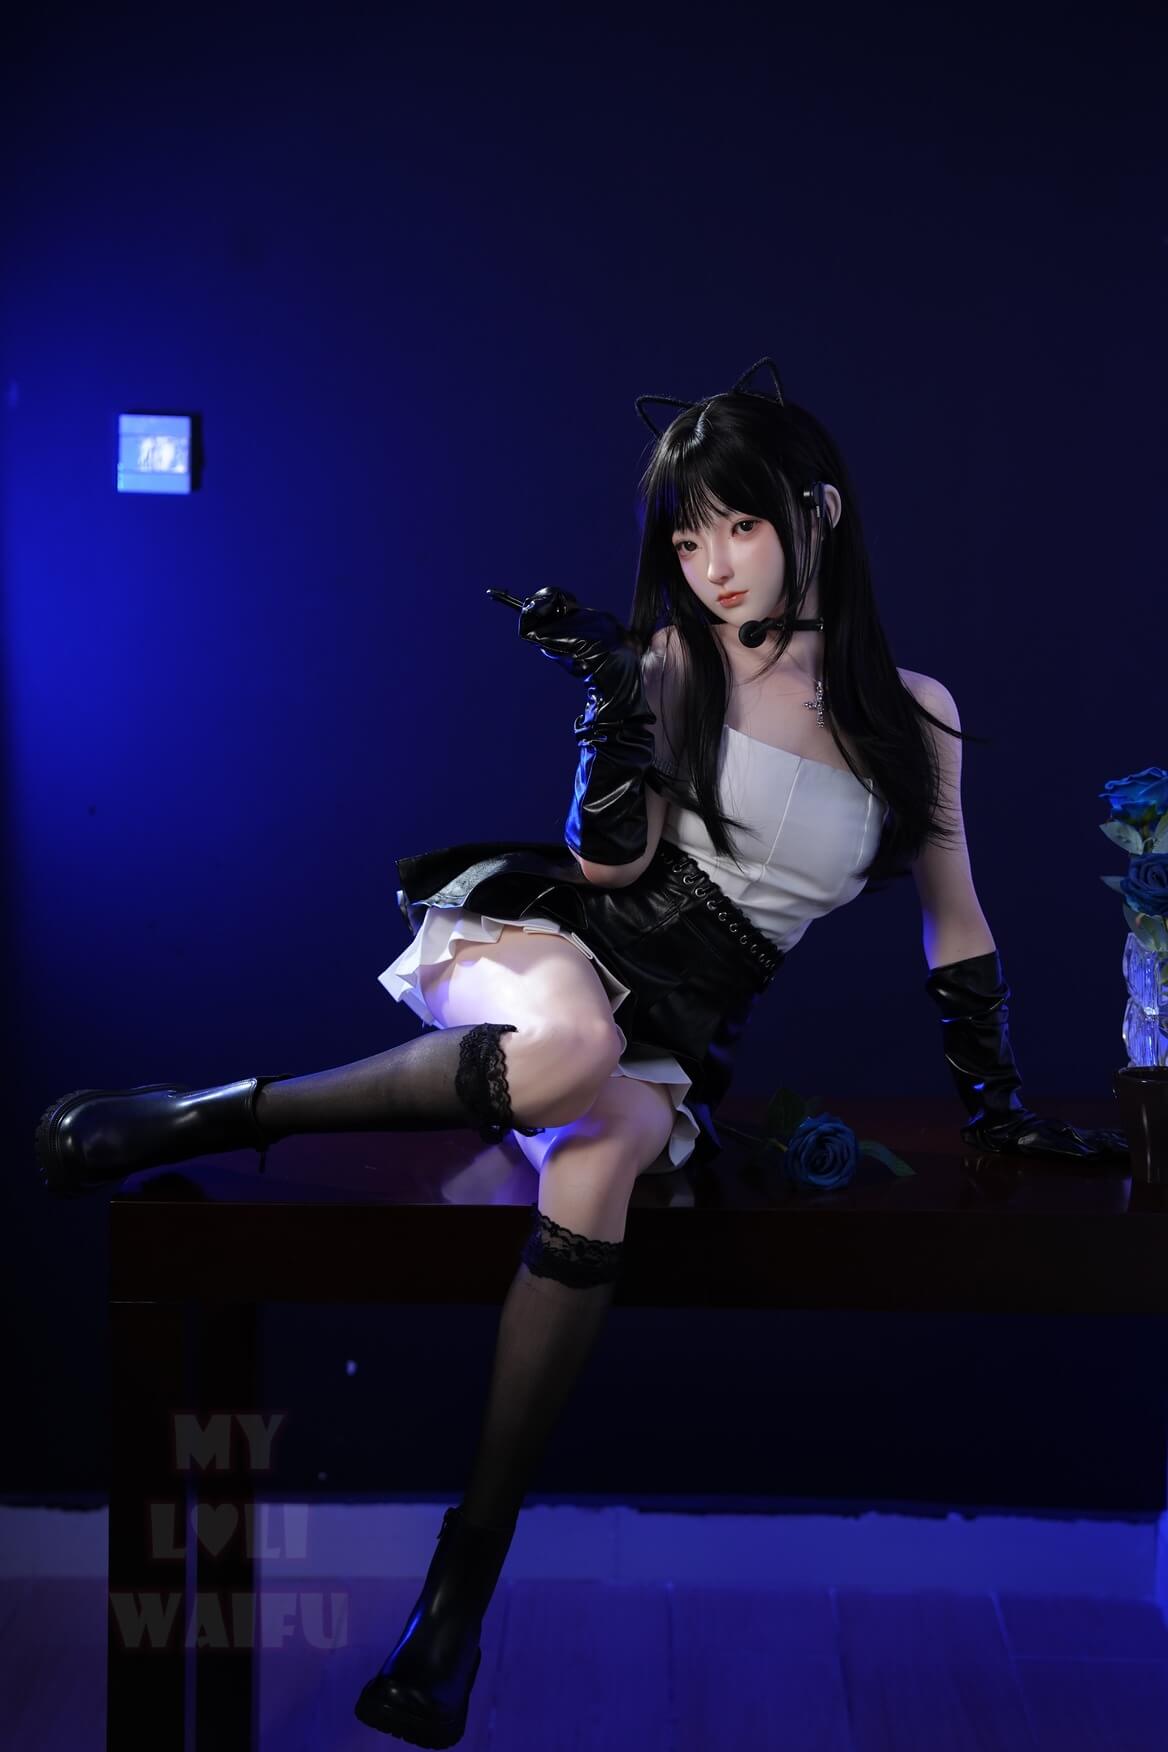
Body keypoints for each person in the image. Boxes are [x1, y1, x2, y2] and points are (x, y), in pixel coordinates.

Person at [35, 356, 1127, 1749]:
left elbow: (953, 915)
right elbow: (607, 867)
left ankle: (454, 1605)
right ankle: (213, 1115)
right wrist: (615, 697)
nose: (712, 564)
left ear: (820, 512)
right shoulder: (671, 663)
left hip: (674, 1033)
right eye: (689, 536)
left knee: (605, 1143)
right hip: (547, 946)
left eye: (740, 524)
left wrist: (998, 1104)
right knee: (573, 1045)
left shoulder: (915, 715)